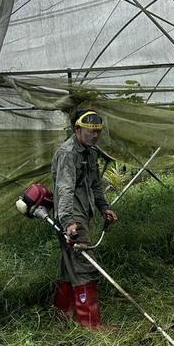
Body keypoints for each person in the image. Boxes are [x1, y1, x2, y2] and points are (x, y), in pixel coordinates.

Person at [51, 109, 117, 329]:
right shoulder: (68, 153)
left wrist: (103, 208)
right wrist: (68, 222)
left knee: (69, 265)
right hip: (70, 215)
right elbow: (64, 189)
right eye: (91, 131)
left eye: (98, 131)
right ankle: (91, 323)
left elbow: (95, 184)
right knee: (84, 263)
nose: (95, 135)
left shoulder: (90, 152)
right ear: (77, 129)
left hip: (83, 212)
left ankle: (64, 313)